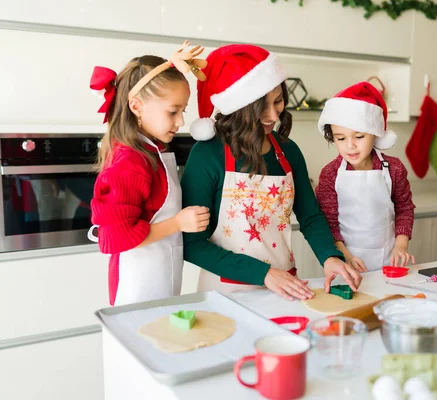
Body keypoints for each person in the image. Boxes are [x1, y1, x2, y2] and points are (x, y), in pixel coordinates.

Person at [182, 44, 362, 301]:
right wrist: (264, 273)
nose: (273, 114)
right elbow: (192, 245)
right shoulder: (207, 155)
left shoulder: (288, 151)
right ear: (238, 106)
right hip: (226, 292)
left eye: (278, 101)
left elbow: (310, 216)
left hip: (284, 286)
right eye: (260, 108)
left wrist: (330, 257)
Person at [89, 42, 211, 306]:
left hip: (161, 282)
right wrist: (178, 224)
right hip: (137, 289)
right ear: (136, 106)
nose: (180, 122)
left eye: (183, 111)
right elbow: (115, 238)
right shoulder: (130, 161)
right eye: (172, 111)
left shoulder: (153, 149)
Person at [315, 82, 416, 271]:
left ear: (375, 134)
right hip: (346, 262)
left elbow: (404, 209)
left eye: (359, 137)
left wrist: (401, 246)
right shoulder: (330, 174)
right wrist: (345, 256)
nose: (350, 145)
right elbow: (328, 223)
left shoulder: (393, 168)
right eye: (341, 138)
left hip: (389, 259)